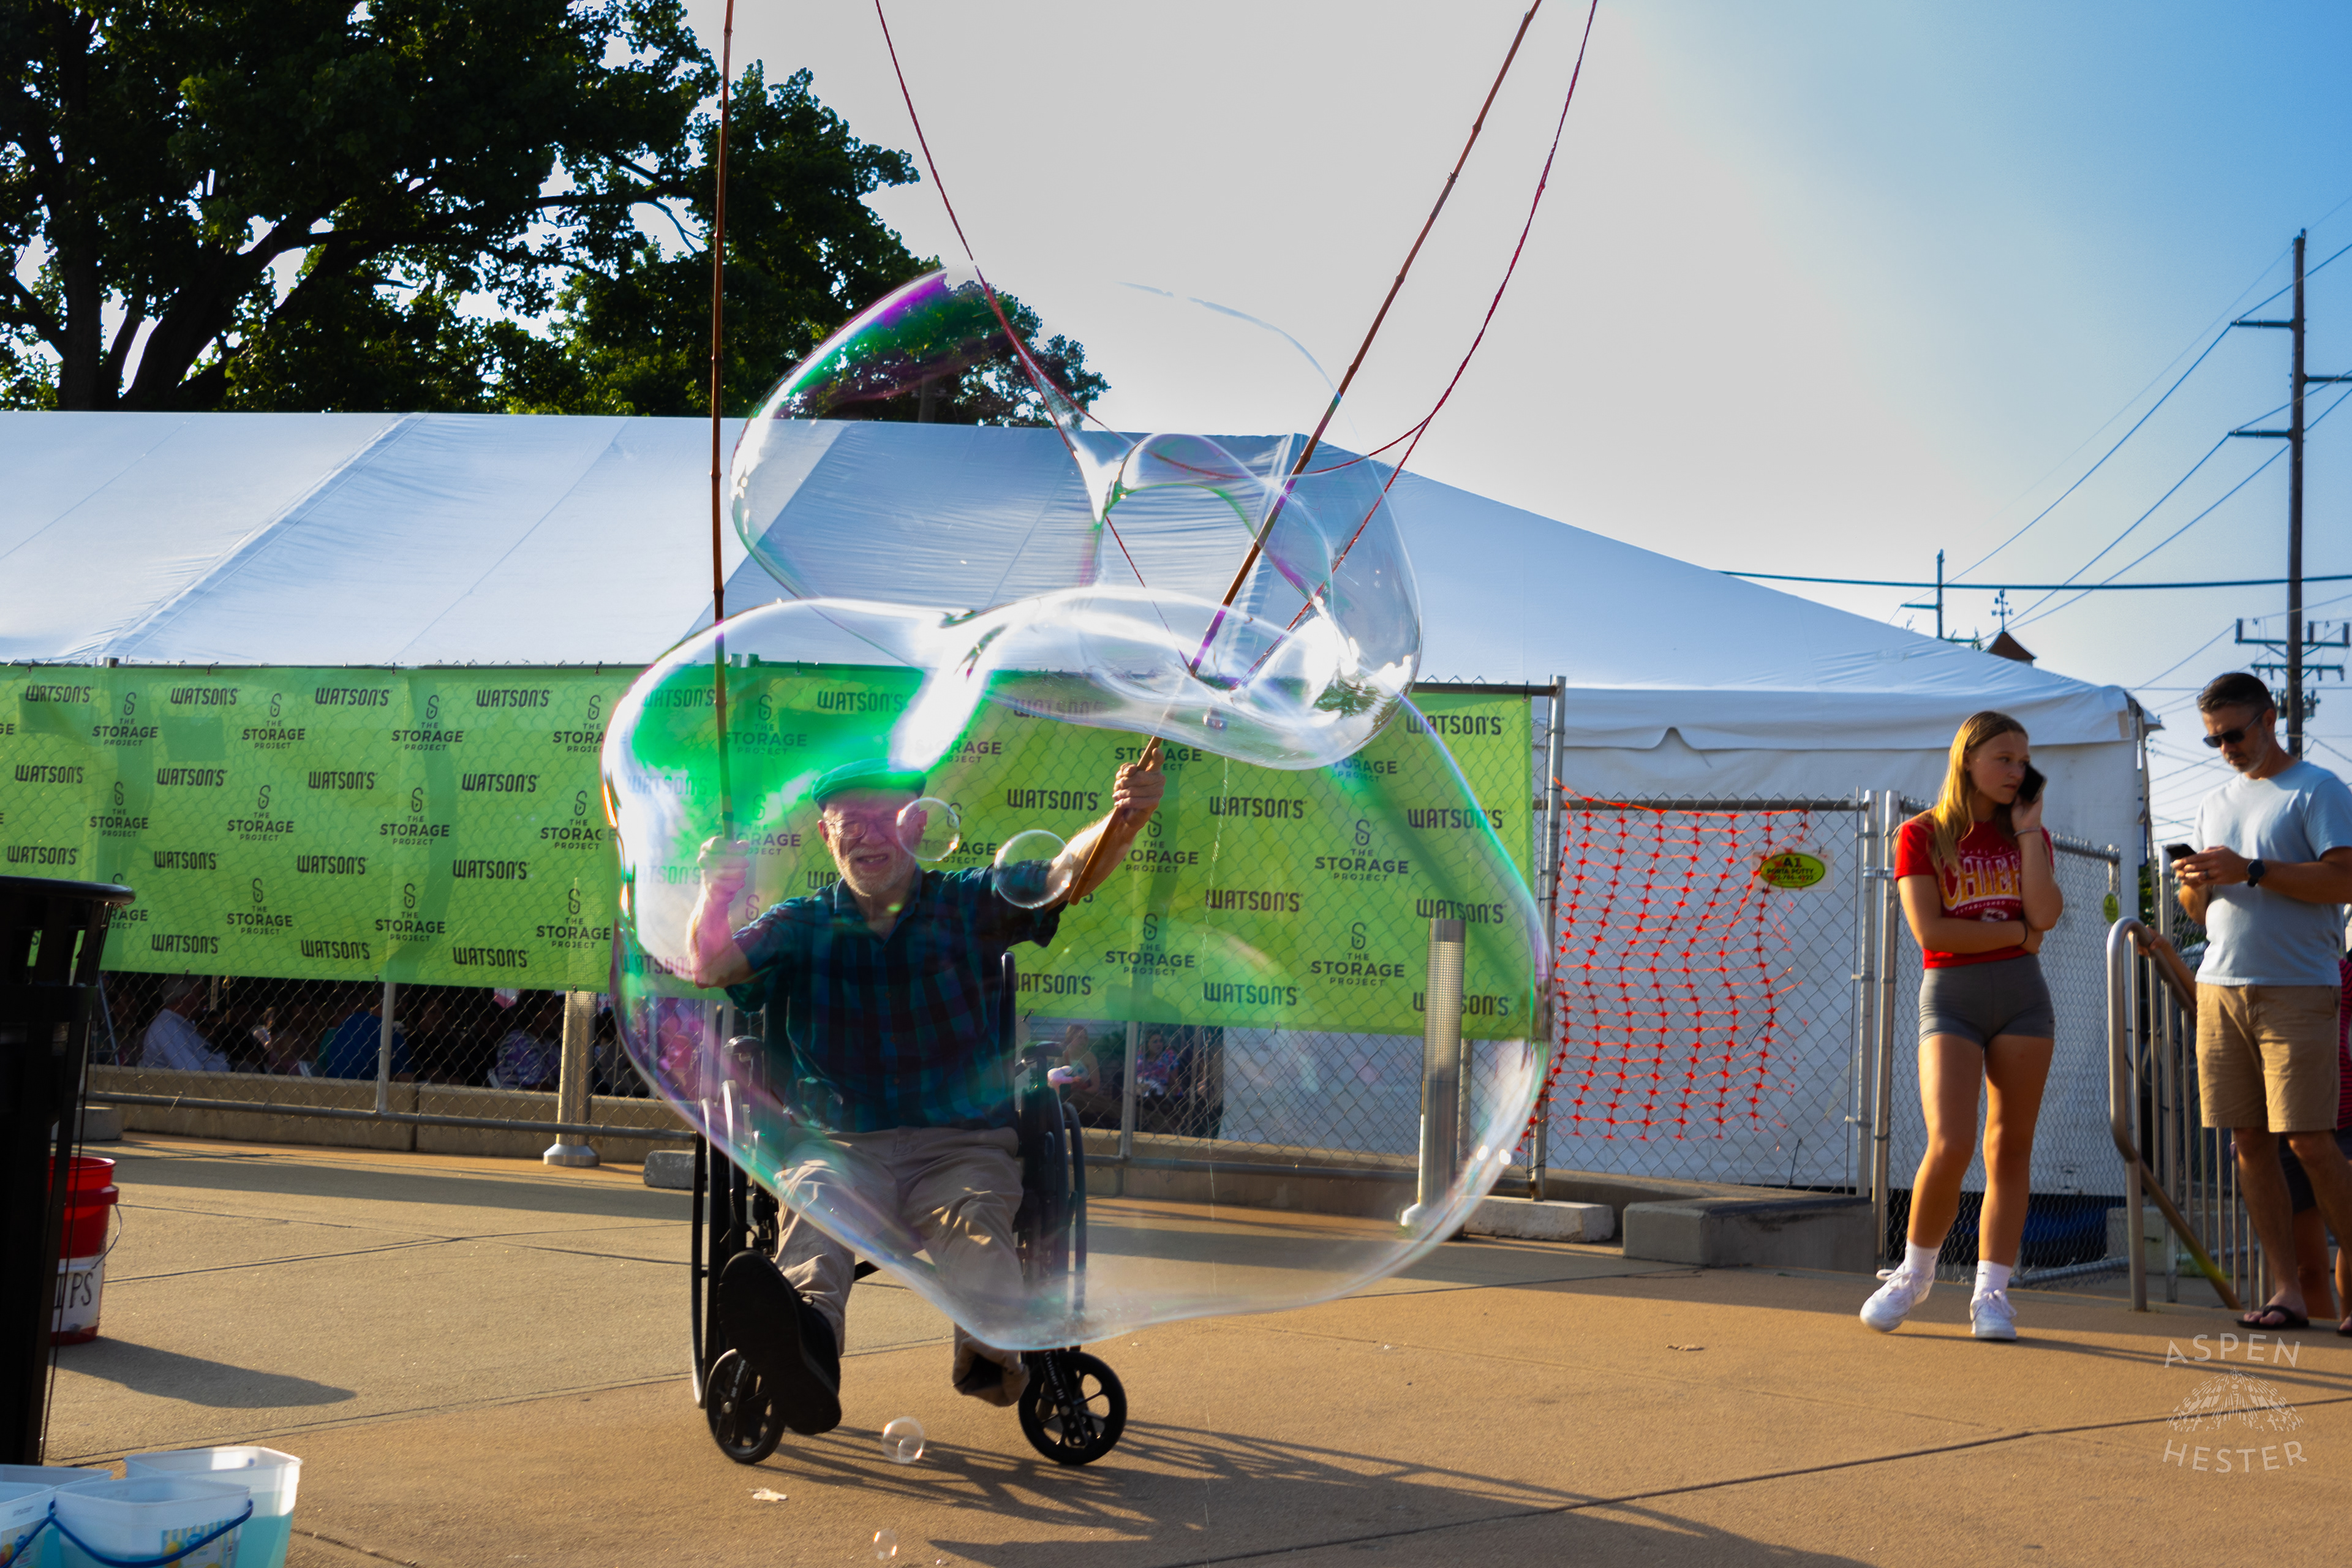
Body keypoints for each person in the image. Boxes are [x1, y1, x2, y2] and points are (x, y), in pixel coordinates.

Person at [688, 753, 1163, 1436]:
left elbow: (1064, 875)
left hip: (961, 1148)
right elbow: (711, 966)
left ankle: (992, 1354)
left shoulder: (967, 904)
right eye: (851, 822)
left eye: (886, 818)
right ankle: (806, 1350)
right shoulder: (801, 924)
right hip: (840, 1147)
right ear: (826, 836)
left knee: (977, 1222)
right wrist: (716, 894)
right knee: (817, 1204)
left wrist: (1126, 818)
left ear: (915, 826)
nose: (869, 835)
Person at [1861, 710, 2062, 1341]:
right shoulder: (1921, 833)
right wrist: (2016, 934)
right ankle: (1914, 1274)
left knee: (2010, 1147)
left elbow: (2047, 915)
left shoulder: (2030, 833)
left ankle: (1991, 1293)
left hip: (2024, 1000)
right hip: (1951, 997)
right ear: (1967, 759)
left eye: (2024, 760)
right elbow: (1933, 932)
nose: (2017, 771)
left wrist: (2027, 834)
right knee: (1950, 1142)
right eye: (2003, 758)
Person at [2174, 671, 2352, 1333]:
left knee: (2310, 1141)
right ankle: (2287, 1293)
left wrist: (2249, 868)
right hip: (2221, 986)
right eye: (2214, 739)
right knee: (2248, 1141)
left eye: (2234, 733)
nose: (2226, 748)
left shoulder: (2319, 789)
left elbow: (2345, 879)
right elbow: (2201, 911)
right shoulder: (2213, 802)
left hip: (2299, 985)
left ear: (2270, 719)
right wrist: (2195, 881)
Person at [317, 989, 413, 1081]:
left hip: (333, 1085)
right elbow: (407, 1083)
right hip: (365, 1090)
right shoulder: (393, 1037)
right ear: (405, 1006)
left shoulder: (349, 1021)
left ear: (375, 997)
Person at [141, 976, 229, 1072]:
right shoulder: (169, 1028)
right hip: (213, 1081)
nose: (205, 998)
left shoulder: (180, 1022)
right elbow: (193, 1072)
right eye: (200, 995)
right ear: (181, 999)